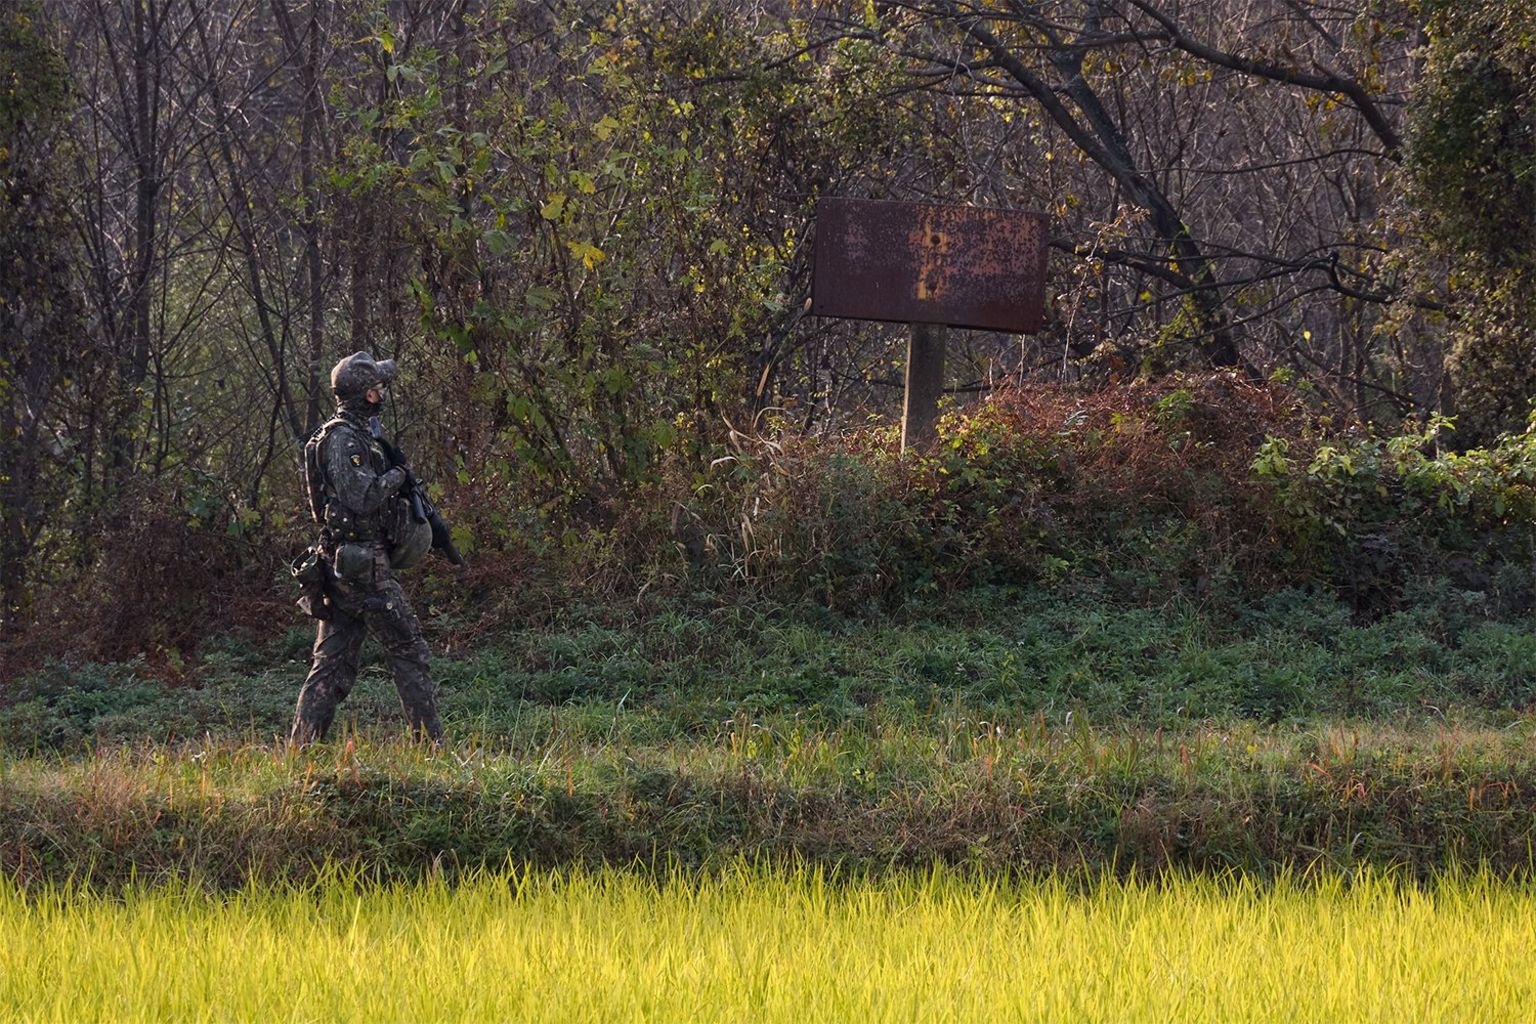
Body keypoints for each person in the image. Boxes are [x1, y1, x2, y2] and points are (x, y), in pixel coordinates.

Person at [290, 351, 443, 746]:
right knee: (410, 650)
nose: (384, 391)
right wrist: (398, 475)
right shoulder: (343, 439)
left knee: (330, 667)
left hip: (345, 565)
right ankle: (431, 749)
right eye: (379, 386)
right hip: (362, 568)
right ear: (369, 396)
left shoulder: (350, 434)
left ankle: (301, 753)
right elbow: (361, 496)